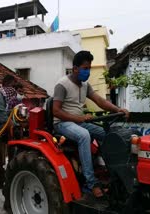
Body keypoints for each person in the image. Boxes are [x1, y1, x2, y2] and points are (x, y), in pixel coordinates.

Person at [52, 50, 129, 198]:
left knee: (108, 134)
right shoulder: (62, 84)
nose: (88, 71)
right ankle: (91, 183)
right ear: (75, 69)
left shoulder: (85, 85)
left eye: (89, 68)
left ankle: (114, 174)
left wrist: (118, 109)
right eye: (85, 68)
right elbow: (55, 111)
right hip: (63, 123)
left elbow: (100, 101)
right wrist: (79, 118)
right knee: (84, 135)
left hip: (78, 122)